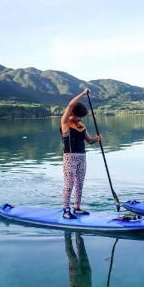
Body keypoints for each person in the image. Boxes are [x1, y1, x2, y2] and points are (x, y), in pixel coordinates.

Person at [60, 89, 101, 219]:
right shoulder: (65, 122)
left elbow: (89, 141)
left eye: (81, 117)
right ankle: (66, 210)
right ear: (72, 114)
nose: (80, 119)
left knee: (79, 184)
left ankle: (76, 208)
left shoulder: (81, 125)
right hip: (69, 158)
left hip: (82, 158)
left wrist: (96, 139)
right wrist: (83, 94)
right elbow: (70, 105)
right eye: (79, 116)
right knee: (69, 184)